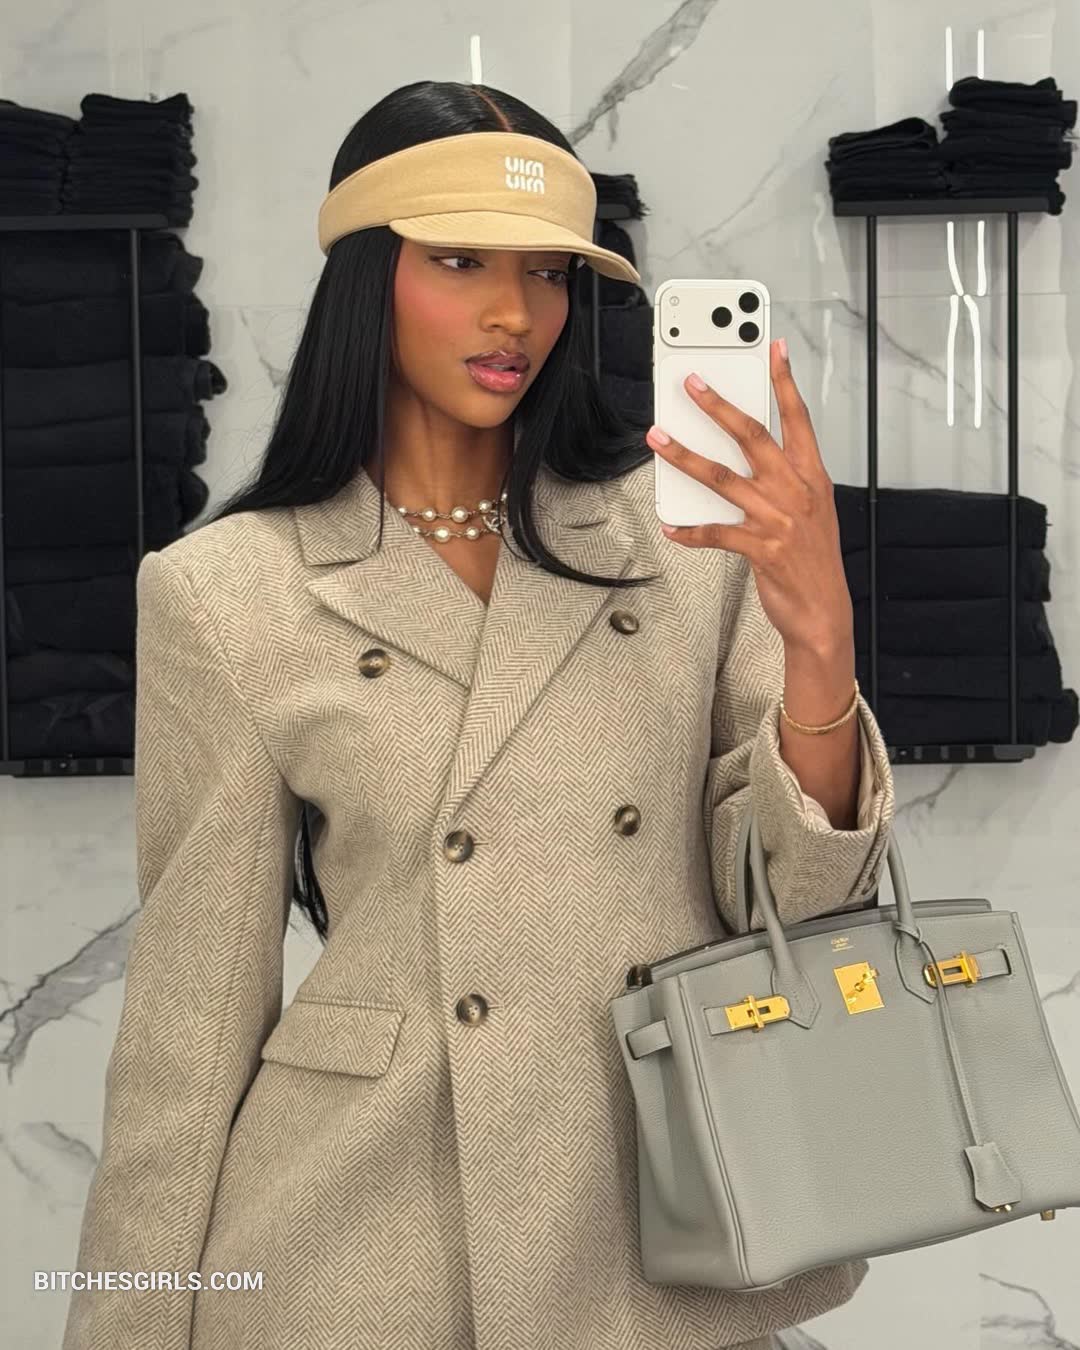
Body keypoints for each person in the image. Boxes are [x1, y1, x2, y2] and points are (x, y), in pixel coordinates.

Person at [62, 79, 895, 1350]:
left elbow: (797, 901)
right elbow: (191, 1019)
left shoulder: (684, 545)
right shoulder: (227, 592)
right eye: (460, 262)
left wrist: (822, 639)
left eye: (548, 274)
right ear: (367, 276)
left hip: (656, 1230)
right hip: (362, 1249)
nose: (516, 313)